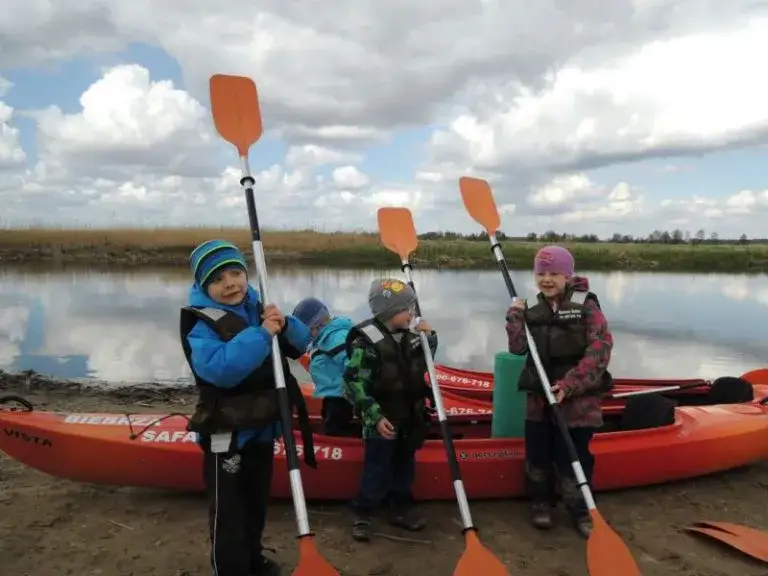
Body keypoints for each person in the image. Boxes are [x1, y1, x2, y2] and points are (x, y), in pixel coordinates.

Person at [179, 239, 315, 576]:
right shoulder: (201, 325)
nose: (230, 284)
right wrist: (262, 333)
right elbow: (221, 369)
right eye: (217, 279)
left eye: (235, 273)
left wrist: (285, 324)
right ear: (203, 286)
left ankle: (253, 558)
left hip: (261, 428)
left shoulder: (258, 307)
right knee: (229, 512)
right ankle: (231, 568)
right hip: (226, 434)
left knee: (256, 504)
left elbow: (300, 344)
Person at [505, 245, 614, 539]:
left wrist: (569, 385)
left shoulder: (587, 306)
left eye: (554, 273)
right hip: (539, 398)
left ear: (568, 275)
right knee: (538, 454)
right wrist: (514, 316)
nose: (547, 279)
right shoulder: (531, 307)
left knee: (573, 457)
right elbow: (517, 348)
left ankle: (581, 510)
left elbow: (600, 351)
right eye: (541, 274)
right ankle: (541, 502)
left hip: (577, 401)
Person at [343, 278, 438, 542]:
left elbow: (426, 360)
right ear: (389, 311)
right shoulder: (366, 344)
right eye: (407, 309)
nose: (412, 313)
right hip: (381, 419)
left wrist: (430, 338)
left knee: (405, 466)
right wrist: (374, 416)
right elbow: (353, 383)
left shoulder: (412, 336)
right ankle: (363, 512)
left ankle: (400, 508)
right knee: (376, 468)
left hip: (409, 417)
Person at [292, 297, 357, 436]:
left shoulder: (336, 337)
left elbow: (351, 363)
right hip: (331, 394)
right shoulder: (322, 340)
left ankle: (344, 443)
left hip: (342, 396)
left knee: (335, 427)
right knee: (329, 419)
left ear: (318, 326)